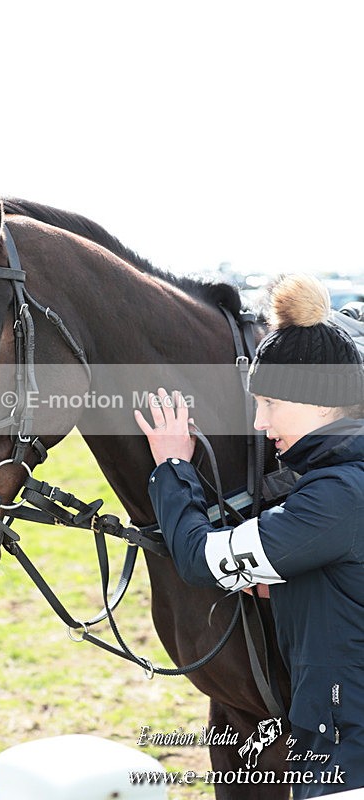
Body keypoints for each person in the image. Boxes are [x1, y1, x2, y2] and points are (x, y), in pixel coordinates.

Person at [134, 274, 364, 798]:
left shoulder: (335, 499)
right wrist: (289, 584)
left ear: (319, 402)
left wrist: (173, 467)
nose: (260, 422)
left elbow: (201, 559)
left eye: (270, 403)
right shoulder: (345, 486)